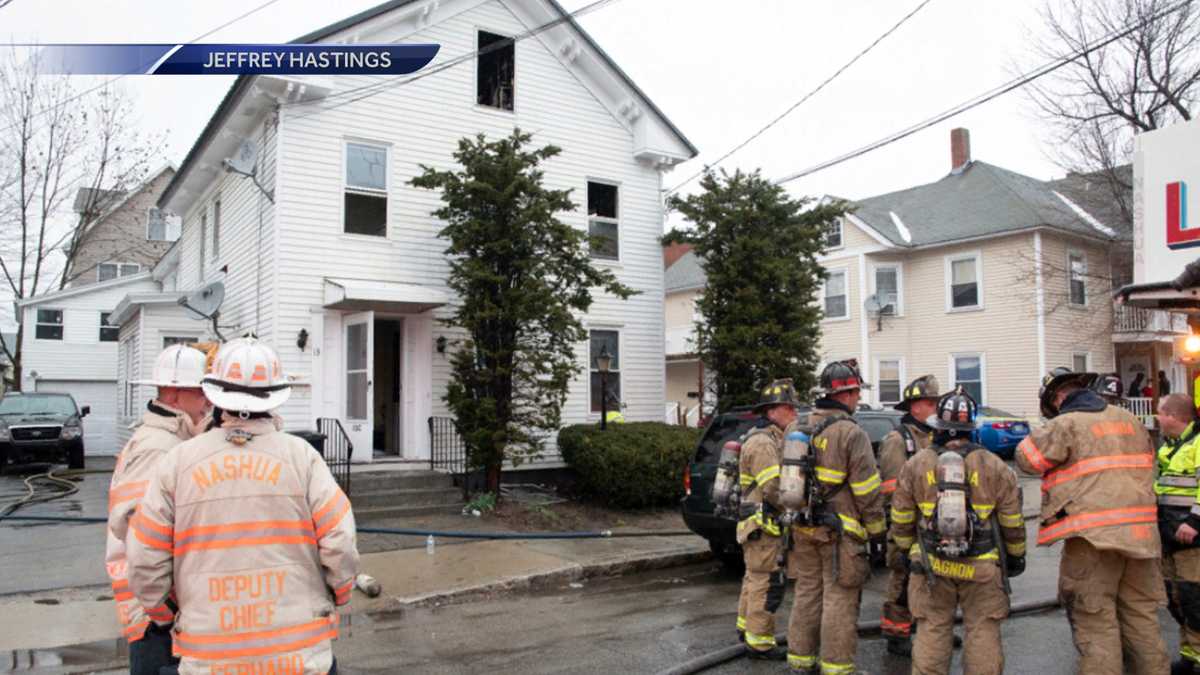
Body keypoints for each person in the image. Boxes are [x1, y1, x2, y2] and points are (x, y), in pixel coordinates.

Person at [127, 338, 359, 675]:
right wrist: (337, 596)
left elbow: (144, 559)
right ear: (276, 396)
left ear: (216, 395)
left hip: (209, 661)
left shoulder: (179, 461)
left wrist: (169, 615)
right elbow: (340, 543)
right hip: (299, 659)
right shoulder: (303, 458)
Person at [1016, 367, 1169, 675]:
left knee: (1095, 620)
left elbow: (1028, 460)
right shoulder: (1129, 420)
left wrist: (1040, 431)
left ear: (1058, 398)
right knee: (1141, 618)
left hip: (1093, 539)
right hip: (1142, 537)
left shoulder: (1066, 423)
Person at [889, 387, 1025, 675]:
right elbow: (1012, 521)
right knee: (983, 630)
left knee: (932, 629)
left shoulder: (917, 464)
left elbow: (900, 517)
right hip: (982, 566)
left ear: (939, 426)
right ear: (972, 427)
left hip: (930, 565)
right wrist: (1016, 557)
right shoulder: (994, 465)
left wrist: (903, 551)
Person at [106, 344, 211, 675]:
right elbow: (141, 541)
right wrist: (166, 614)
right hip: (156, 623)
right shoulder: (158, 449)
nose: (209, 402)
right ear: (176, 396)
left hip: (159, 615)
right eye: (202, 393)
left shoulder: (171, 441)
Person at [785, 360, 886, 675]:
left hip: (801, 525)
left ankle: (801, 660)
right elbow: (867, 491)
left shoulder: (795, 427)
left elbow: (782, 482)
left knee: (807, 592)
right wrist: (878, 533)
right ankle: (837, 666)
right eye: (856, 393)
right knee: (839, 597)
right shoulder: (850, 432)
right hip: (840, 532)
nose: (857, 399)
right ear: (844, 394)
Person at [735, 378, 802, 660]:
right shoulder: (763, 443)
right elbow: (773, 487)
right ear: (773, 411)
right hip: (763, 526)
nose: (795, 413)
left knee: (754, 578)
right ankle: (760, 643)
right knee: (767, 582)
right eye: (790, 408)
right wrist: (796, 504)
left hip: (756, 525)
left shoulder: (765, 437)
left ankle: (747, 629)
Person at [878, 375, 940, 657]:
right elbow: (892, 487)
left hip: (935, 522)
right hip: (907, 522)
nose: (934, 408)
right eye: (930, 403)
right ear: (915, 407)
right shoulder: (897, 439)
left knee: (936, 578)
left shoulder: (934, 437)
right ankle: (896, 632)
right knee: (902, 577)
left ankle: (932, 632)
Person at [1154, 393, 1200, 674]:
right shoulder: (1168, 447)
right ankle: (1189, 654)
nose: (1157, 417)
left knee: (1194, 597)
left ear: (1173, 416)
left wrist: (1195, 522)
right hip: (1170, 534)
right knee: (1176, 598)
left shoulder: (1197, 444)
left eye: (1159, 412)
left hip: (1191, 536)